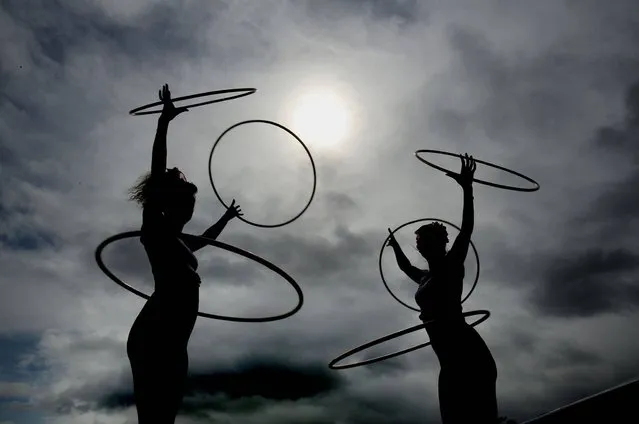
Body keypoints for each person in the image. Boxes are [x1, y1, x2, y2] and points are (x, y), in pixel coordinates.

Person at [126, 84, 242, 424]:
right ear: (169, 203)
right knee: (153, 417)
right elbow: (157, 170)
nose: (191, 211)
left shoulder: (177, 241)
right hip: (155, 333)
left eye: (193, 206)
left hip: (176, 340)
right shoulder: (155, 228)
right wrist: (164, 122)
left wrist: (226, 218)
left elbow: (205, 239)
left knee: (165, 418)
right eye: (187, 204)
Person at [386, 154, 499, 423]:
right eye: (418, 242)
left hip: (468, 354)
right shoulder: (425, 277)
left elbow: (467, 230)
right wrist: (396, 246)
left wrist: (467, 189)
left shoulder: (450, 266)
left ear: (437, 244)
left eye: (422, 240)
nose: (419, 245)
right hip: (448, 361)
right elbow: (405, 268)